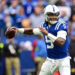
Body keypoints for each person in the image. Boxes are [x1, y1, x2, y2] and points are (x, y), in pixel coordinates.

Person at [6, 5, 71, 75]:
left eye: (56, 14)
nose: (54, 16)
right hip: (50, 60)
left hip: (63, 60)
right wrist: (18, 30)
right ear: (46, 15)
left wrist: (47, 34)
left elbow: (61, 42)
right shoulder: (44, 25)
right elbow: (32, 31)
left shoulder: (61, 25)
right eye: (51, 14)